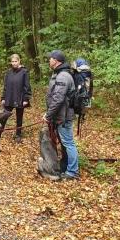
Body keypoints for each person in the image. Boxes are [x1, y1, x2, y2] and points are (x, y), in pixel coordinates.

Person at [43, 50, 79, 180]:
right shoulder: (59, 74)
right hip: (60, 115)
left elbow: (58, 98)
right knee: (65, 142)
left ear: (57, 61)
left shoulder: (63, 76)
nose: (49, 60)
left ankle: (72, 172)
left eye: (50, 59)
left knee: (68, 142)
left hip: (63, 116)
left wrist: (48, 114)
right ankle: (65, 166)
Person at [1, 54, 32, 143]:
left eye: (16, 61)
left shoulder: (24, 72)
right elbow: (5, 86)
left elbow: (27, 86)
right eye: (13, 61)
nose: (14, 63)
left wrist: (26, 99)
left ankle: (18, 134)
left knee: (19, 117)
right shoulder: (8, 72)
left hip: (20, 98)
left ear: (19, 61)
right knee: (4, 115)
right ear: (11, 62)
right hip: (9, 97)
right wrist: (3, 97)